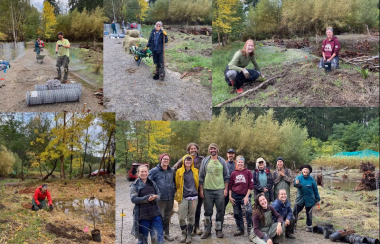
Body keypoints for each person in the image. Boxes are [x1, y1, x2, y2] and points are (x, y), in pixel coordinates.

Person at [198, 143, 230, 238]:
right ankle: (207, 230)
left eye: (214, 148)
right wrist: (201, 190)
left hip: (220, 189)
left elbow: (227, 176)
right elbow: (201, 176)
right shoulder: (205, 160)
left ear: (217, 150)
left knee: (220, 210)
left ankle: (218, 230)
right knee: (207, 211)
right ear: (209, 150)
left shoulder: (222, 161)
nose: (213, 150)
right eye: (211, 149)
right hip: (207, 189)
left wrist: (225, 189)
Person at [172, 142, 205, 235]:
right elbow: (174, 168)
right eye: (191, 148)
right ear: (188, 150)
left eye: (195, 148)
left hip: (198, 187)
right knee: (186, 209)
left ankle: (196, 227)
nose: (193, 150)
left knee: (197, 208)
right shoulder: (184, 159)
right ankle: (187, 228)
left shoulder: (202, 159)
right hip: (185, 189)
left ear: (197, 149)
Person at [130, 165, 163, 244]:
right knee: (143, 239)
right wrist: (147, 199)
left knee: (158, 237)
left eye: (145, 171)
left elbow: (159, 194)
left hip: (155, 214)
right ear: (138, 173)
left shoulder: (152, 183)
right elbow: (133, 199)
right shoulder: (135, 185)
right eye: (142, 172)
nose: (144, 173)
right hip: (142, 216)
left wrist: (156, 198)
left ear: (148, 172)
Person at [148, 153, 176, 241]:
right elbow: (148, 183)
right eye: (164, 159)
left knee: (167, 217)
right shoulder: (154, 171)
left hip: (170, 198)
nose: (166, 160)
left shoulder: (172, 171)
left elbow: (175, 181)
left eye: (167, 159)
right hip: (160, 199)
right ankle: (158, 236)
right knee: (159, 217)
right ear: (161, 159)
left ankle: (166, 234)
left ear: (169, 161)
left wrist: (173, 189)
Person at [175, 154, 199, 243]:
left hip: (193, 197)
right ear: (183, 161)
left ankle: (189, 234)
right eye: (186, 160)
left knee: (191, 216)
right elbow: (177, 184)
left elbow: (198, 183)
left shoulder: (196, 171)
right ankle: (183, 232)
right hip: (183, 196)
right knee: (181, 216)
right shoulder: (179, 171)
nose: (188, 162)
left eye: (190, 160)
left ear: (192, 161)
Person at [228, 156, 253, 236]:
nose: (240, 163)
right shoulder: (233, 173)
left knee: (248, 211)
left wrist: (246, 197)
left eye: (241, 162)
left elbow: (250, 185)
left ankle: (250, 229)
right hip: (235, 195)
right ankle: (240, 229)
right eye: (239, 162)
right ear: (237, 163)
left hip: (245, 195)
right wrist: (230, 197)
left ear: (243, 163)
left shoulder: (248, 172)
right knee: (236, 213)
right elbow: (230, 186)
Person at [293, 164, 320, 232]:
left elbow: (315, 190)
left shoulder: (311, 179)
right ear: (302, 170)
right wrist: (297, 183)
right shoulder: (298, 178)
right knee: (294, 212)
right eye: (304, 169)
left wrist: (317, 199)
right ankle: (293, 225)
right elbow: (295, 185)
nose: (305, 171)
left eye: (307, 170)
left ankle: (309, 226)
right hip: (300, 199)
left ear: (309, 171)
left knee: (309, 213)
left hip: (310, 199)